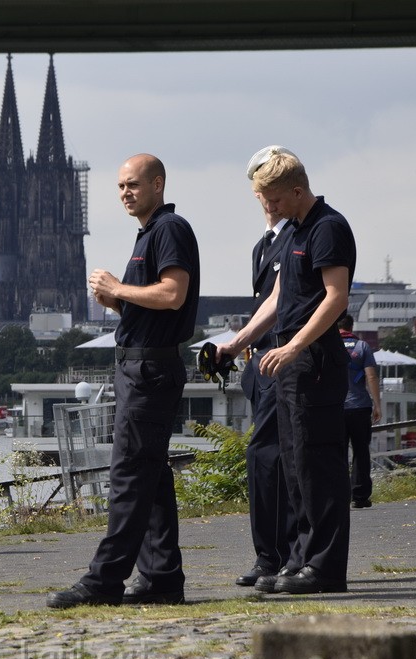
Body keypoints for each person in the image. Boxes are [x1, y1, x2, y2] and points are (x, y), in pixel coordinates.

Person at [47, 153, 200, 608]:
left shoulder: (170, 229)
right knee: (150, 476)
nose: (125, 193)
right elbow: (149, 308)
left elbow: (173, 295)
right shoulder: (147, 234)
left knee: (129, 474)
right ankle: (161, 576)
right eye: (119, 187)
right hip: (140, 363)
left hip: (149, 368)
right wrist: (116, 303)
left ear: (158, 183)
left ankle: (104, 579)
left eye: (133, 184)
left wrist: (117, 289)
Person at [217, 150, 355, 594]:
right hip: (290, 361)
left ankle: (325, 567)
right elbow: (278, 298)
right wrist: (238, 342)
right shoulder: (294, 229)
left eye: (274, 200)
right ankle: (298, 560)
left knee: (318, 466)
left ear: (297, 191)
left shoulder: (327, 227)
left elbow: (335, 298)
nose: (269, 209)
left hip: (313, 358)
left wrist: (295, 345)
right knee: (294, 468)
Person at [234, 146, 298, 588]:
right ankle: (271, 555)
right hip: (262, 362)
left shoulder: (297, 237)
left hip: (282, 357)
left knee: (270, 456)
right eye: (260, 193)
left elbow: (278, 304)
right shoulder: (264, 245)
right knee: (266, 459)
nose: (266, 202)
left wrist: (241, 340)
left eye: (272, 193)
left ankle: (275, 556)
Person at [338, 314, 381, 509]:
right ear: (351, 326)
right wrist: (377, 404)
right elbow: (371, 377)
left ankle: (339, 496)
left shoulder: (328, 346)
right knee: (361, 451)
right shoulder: (362, 347)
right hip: (360, 407)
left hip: (335, 408)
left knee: (336, 453)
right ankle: (360, 496)